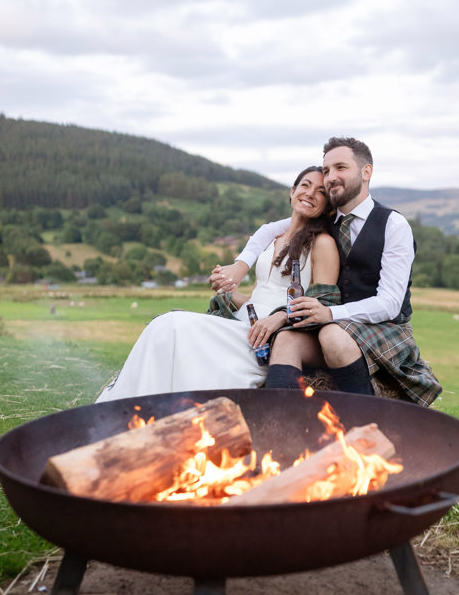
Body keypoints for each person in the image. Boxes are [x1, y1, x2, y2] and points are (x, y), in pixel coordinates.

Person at [212, 136, 441, 406]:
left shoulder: (393, 224)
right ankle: (279, 426)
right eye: (327, 170)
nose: (331, 177)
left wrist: (331, 314)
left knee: (332, 336)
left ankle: (367, 420)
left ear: (366, 171)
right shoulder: (325, 219)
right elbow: (272, 229)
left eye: (340, 168)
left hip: (380, 326)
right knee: (286, 339)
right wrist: (241, 264)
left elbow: (390, 304)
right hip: (325, 322)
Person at [96, 167, 338, 401]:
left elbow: (320, 304)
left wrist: (282, 316)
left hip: (267, 335)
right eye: (305, 185)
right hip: (243, 319)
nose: (310, 193)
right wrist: (229, 293)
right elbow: (260, 294)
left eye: (320, 192)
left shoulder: (322, 243)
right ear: (292, 191)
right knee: (161, 326)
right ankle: (134, 410)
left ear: (327, 204)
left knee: (172, 325)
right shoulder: (273, 237)